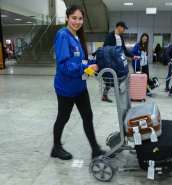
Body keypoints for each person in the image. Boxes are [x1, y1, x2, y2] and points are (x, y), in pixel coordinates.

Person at [51, 4, 112, 160]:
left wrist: (92, 62)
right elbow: (63, 64)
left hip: (79, 86)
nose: (77, 22)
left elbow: (79, 60)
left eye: (80, 19)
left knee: (87, 116)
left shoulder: (77, 36)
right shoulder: (63, 35)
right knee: (63, 118)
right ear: (66, 18)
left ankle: (95, 149)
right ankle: (56, 148)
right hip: (66, 87)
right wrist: (85, 67)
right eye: (74, 18)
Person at [101, 21, 140, 103]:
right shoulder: (110, 36)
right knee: (110, 77)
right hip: (111, 61)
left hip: (119, 61)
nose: (124, 30)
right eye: (123, 28)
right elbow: (104, 48)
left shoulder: (121, 37)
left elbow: (124, 49)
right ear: (119, 27)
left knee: (118, 76)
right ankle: (115, 95)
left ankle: (110, 95)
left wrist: (133, 56)